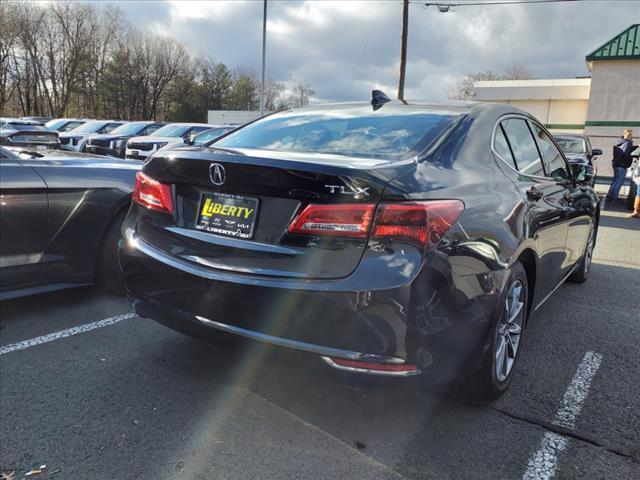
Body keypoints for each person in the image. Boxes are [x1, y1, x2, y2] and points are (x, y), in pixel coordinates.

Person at [606, 129, 635, 202]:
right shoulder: (628, 143)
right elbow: (625, 153)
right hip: (622, 165)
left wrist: (634, 147)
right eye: (631, 135)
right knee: (619, 181)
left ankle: (610, 195)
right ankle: (614, 197)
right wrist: (631, 156)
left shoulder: (619, 141)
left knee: (615, 180)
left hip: (616, 163)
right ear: (630, 135)